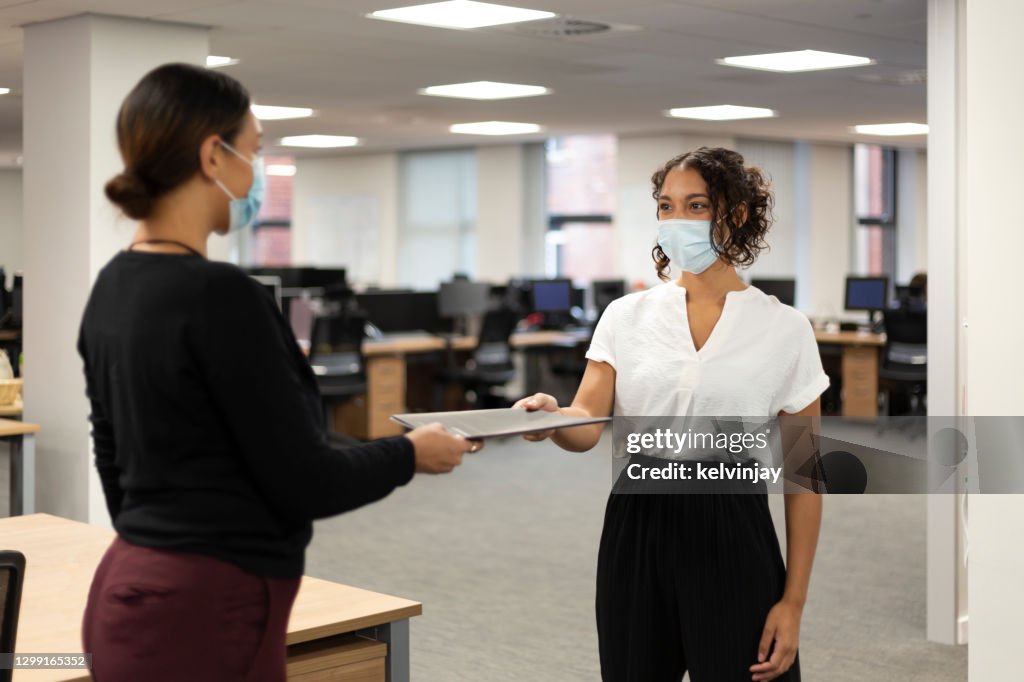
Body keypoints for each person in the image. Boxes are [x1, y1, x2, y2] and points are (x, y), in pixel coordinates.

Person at [77, 63, 479, 681]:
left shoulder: (113, 284)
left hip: (131, 581)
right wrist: (408, 455)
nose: (256, 172)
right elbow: (305, 478)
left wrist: (161, 534)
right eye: (256, 151)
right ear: (214, 155)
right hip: (209, 603)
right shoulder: (221, 294)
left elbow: (113, 457)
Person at [515, 147, 826, 681]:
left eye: (697, 205)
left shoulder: (786, 329)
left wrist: (793, 602)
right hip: (638, 526)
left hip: (733, 527)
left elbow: (805, 476)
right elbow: (587, 421)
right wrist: (553, 417)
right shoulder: (626, 316)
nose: (676, 220)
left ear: (737, 214)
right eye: (666, 206)